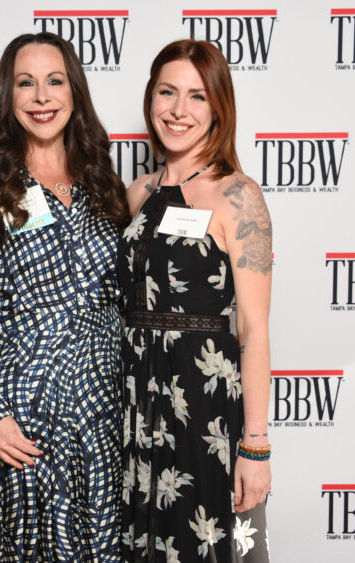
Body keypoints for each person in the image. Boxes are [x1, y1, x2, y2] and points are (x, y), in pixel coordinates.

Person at [0, 32, 130, 562]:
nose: (42, 97)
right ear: (9, 94)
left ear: (74, 92)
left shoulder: (102, 183)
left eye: (55, 81)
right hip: (21, 424)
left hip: (101, 419)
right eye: (26, 83)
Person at [118, 39, 272, 562]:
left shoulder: (238, 195)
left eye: (197, 96)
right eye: (167, 92)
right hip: (137, 407)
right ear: (150, 99)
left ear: (218, 107)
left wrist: (255, 446)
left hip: (204, 412)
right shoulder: (138, 193)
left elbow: (253, 328)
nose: (178, 110)